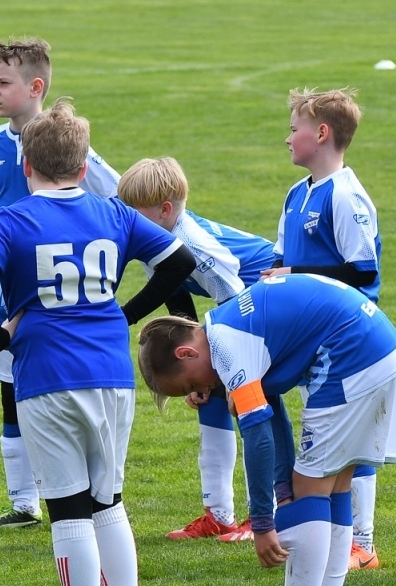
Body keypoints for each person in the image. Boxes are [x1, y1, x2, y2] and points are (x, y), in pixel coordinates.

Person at [0, 101, 195, 586]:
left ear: (25, 164)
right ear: (84, 167)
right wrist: (124, 313)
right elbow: (178, 261)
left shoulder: (10, 221)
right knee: (109, 501)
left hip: (47, 376)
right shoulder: (113, 215)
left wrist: (0, 337)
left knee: (67, 508)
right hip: (109, 373)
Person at [137, 273, 396, 586]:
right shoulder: (228, 327)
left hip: (352, 357)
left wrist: (264, 524)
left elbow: (259, 437)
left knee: (309, 487)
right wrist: (281, 489)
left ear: (187, 353)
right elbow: (273, 411)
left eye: (190, 384)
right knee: (335, 484)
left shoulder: (228, 348)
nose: (202, 392)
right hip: (377, 347)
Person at [0, 39, 121, 530]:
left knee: (50, 392)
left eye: (2, 82)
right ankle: (23, 504)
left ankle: (78, 495)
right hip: (8, 295)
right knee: (10, 393)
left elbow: (115, 196)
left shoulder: (69, 145)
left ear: (36, 88)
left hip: (57, 296)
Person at [115, 157, 279, 542]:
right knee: (211, 398)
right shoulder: (156, 238)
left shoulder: (194, 245)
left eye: (133, 213)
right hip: (241, 310)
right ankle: (219, 514)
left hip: (264, 307)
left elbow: (238, 304)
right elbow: (178, 304)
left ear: (165, 210)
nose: (127, 222)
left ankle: (267, 515)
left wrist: (224, 367)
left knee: (257, 406)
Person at [264, 88, 387, 570]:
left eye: (294, 127)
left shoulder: (347, 195)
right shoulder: (298, 194)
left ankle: (363, 541)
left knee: (350, 438)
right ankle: (330, 530)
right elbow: (280, 262)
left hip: (347, 339)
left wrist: (296, 278)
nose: (287, 137)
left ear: (321, 133)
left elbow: (362, 270)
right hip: (308, 337)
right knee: (323, 431)